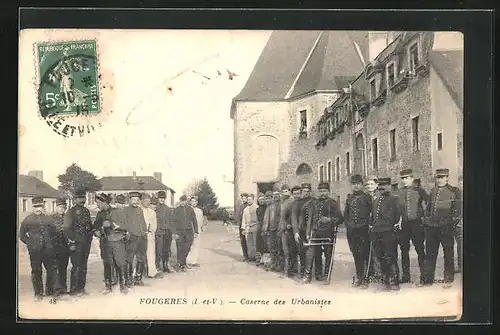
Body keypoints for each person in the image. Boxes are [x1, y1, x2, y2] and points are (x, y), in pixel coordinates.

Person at [422, 168, 462, 289]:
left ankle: (448, 279)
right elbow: (428, 208)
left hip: (446, 227)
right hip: (432, 228)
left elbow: (458, 210)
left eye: (442, 177)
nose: (439, 180)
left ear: (447, 178)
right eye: (437, 178)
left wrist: (451, 223)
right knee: (430, 254)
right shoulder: (433, 190)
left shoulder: (454, 191)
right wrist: (426, 220)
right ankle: (428, 280)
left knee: (448, 253)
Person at [301, 182, 343, 284]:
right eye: (320, 191)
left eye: (324, 191)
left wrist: (329, 219)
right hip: (315, 232)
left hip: (328, 232)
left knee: (328, 255)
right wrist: (308, 232)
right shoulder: (313, 203)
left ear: (328, 191)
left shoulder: (333, 203)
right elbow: (310, 219)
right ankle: (309, 276)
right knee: (312, 254)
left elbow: (340, 219)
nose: (322, 193)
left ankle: (326, 276)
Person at [20, 196, 61, 301]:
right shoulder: (27, 220)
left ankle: (51, 292)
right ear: (33, 207)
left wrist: (52, 245)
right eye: (36, 207)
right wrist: (30, 244)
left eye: (40, 206)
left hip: (48, 250)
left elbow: (55, 233)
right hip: (35, 251)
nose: (38, 209)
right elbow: (22, 235)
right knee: (36, 271)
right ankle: (38, 293)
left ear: (43, 207)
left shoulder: (48, 219)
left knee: (52, 270)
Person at [369, 177, 404, 291]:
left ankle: (394, 282)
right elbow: (373, 216)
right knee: (380, 257)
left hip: (389, 233)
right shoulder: (376, 200)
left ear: (389, 186)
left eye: (384, 185)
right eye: (380, 185)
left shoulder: (395, 199)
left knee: (390, 257)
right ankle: (385, 283)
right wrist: (372, 227)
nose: (381, 187)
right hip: (377, 233)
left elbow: (399, 216)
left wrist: (394, 229)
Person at [93, 193, 129, 294]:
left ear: (105, 202)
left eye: (99, 203)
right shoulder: (100, 214)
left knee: (121, 263)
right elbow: (96, 226)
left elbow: (124, 225)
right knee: (107, 263)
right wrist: (96, 231)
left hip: (117, 241)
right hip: (105, 242)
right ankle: (108, 287)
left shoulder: (117, 212)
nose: (98, 205)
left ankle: (123, 286)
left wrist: (111, 224)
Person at [397, 169, 428, 285]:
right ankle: (406, 276)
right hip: (404, 225)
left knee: (420, 250)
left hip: (417, 224)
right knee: (404, 251)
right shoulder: (399, 192)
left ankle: (424, 277)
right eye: (403, 178)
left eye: (407, 178)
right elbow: (398, 208)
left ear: (412, 178)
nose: (405, 180)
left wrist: (424, 219)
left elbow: (428, 203)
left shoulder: (419, 190)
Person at [63, 189, 93, 296]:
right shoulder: (70, 212)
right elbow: (66, 229)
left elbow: (89, 226)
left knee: (84, 266)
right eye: (79, 198)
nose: (82, 200)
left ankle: (81, 288)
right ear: (75, 200)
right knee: (77, 266)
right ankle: (74, 290)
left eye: (83, 198)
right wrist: (71, 243)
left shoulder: (86, 211)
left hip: (86, 242)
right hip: (76, 243)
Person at [344, 174, 372, 289]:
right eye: (354, 184)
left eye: (358, 184)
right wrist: (348, 225)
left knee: (365, 254)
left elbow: (372, 213)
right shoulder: (349, 198)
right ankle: (359, 276)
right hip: (352, 232)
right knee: (356, 254)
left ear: (362, 185)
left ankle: (366, 278)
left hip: (364, 230)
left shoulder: (367, 198)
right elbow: (346, 215)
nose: (356, 186)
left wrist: (368, 225)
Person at [122, 191, 148, 287]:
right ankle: (128, 279)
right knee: (129, 259)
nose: (135, 202)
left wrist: (145, 231)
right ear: (129, 200)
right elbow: (124, 223)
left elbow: (143, 222)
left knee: (141, 258)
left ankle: (138, 279)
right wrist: (127, 233)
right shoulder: (126, 210)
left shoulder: (140, 210)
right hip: (131, 238)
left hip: (141, 237)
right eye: (133, 200)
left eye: (137, 200)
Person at [291, 183, 315, 278]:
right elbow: (294, 218)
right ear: (301, 192)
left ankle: (308, 274)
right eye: (304, 191)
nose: (306, 193)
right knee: (301, 253)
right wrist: (296, 232)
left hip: (311, 231)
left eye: (308, 191)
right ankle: (302, 272)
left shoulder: (314, 202)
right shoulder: (297, 203)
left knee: (310, 254)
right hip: (301, 231)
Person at [49, 197, 70, 295]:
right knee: (54, 269)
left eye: (64, 208)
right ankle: (54, 290)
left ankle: (63, 288)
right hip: (54, 247)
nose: (62, 209)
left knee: (63, 268)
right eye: (61, 207)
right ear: (56, 207)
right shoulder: (51, 218)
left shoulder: (67, 218)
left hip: (65, 247)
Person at [172, 195, 199, 271]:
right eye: (181, 201)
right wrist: (174, 232)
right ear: (180, 201)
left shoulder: (190, 209)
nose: (183, 202)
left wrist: (196, 231)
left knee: (187, 247)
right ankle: (182, 264)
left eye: (184, 201)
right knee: (179, 247)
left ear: (186, 201)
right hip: (179, 231)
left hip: (189, 231)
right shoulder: (176, 210)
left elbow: (194, 220)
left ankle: (180, 263)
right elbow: (173, 222)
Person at [365, 175, 383, 283]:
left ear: (377, 185)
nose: (369, 186)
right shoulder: (366, 196)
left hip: (377, 227)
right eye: (368, 184)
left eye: (371, 184)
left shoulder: (379, 195)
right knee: (369, 250)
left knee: (377, 251)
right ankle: (371, 272)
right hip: (367, 226)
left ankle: (379, 273)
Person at [278, 185, 298, 278]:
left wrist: (287, 224)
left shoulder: (292, 201)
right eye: (283, 191)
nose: (284, 193)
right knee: (285, 251)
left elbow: (292, 216)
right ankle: (289, 270)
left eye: (286, 191)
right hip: (283, 229)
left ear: (289, 191)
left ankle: (288, 271)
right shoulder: (283, 201)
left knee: (289, 251)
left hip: (289, 229)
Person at [142, 194, 161, 279]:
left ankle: (152, 272)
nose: (147, 203)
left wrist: (152, 231)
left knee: (151, 254)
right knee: (138, 255)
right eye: (146, 201)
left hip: (149, 235)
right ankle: (136, 273)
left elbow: (154, 224)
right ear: (141, 201)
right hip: (139, 235)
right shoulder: (138, 210)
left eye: (149, 201)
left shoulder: (152, 212)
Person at [262, 190, 281, 272]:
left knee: (277, 248)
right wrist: (265, 229)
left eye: (269, 198)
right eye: (266, 198)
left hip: (275, 229)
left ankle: (278, 265)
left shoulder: (277, 206)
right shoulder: (268, 207)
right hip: (269, 230)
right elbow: (266, 220)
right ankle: (274, 264)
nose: (267, 200)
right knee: (271, 248)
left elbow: (276, 219)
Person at [155, 191, 173, 273]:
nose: (161, 199)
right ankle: (157, 267)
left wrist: (172, 231)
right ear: (158, 198)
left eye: (163, 198)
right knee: (159, 250)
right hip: (159, 232)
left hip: (167, 231)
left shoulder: (168, 208)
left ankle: (165, 265)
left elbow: (171, 221)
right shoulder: (155, 208)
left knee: (166, 249)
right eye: (160, 198)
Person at [187, 196, 204, 267]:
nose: (194, 203)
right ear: (190, 202)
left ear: (197, 202)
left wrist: (201, 228)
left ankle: (194, 261)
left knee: (196, 246)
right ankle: (188, 261)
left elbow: (201, 220)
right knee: (190, 246)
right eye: (192, 201)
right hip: (190, 230)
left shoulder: (199, 211)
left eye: (195, 201)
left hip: (198, 231)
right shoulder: (188, 210)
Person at [241, 194, 259, 262]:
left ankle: (257, 258)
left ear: (253, 200)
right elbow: (243, 219)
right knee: (249, 243)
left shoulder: (257, 207)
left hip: (255, 226)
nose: (249, 201)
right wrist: (243, 229)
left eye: (250, 199)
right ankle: (250, 257)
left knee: (255, 243)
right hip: (248, 227)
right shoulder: (245, 209)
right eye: (248, 200)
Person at [255, 193, 267, 265]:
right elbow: (258, 219)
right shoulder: (258, 209)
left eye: (262, 199)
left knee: (265, 244)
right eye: (260, 200)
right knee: (259, 243)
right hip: (259, 226)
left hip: (265, 226)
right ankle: (259, 258)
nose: (261, 201)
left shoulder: (267, 207)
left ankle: (265, 259)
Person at [236, 193, 249, 261]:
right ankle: (245, 255)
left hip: (247, 226)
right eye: (242, 198)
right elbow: (239, 216)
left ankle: (249, 255)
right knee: (242, 241)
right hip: (241, 226)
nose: (243, 199)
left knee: (248, 241)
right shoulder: (241, 206)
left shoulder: (248, 206)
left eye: (244, 198)